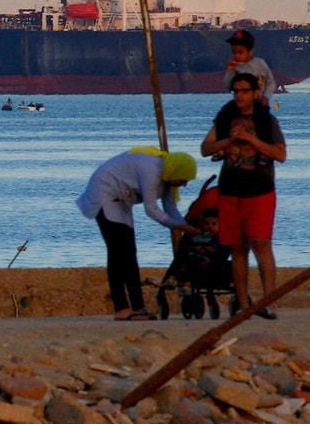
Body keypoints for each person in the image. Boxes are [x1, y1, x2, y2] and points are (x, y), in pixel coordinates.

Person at [201, 72, 288, 318]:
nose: (239, 95)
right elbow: (205, 148)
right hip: (230, 191)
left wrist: (250, 138)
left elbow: (280, 154)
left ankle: (269, 301)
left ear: (254, 93)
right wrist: (228, 140)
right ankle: (241, 303)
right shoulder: (225, 117)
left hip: (259, 191)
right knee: (237, 248)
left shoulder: (266, 121)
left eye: (244, 91)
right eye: (235, 91)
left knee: (262, 244)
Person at [77, 147, 196, 320]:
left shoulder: (167, 179)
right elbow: (151, 209)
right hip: (104, 195)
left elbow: (170, 208)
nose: (185, 184)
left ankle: (138, 307)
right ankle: (121, 308)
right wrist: (178, 226)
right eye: (184, 179)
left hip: (122, 201)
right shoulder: (152, 171)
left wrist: (185, 226)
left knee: (130, 254)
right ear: (175, 171)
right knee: (118, 253)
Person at [224, 29, 276, 103]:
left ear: (250, 52)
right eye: (234, 52)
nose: (236, 56)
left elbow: (271, 83)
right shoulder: (235, 68)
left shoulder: (260, 63)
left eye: (240, 52)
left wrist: (266, 97)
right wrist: (229, 71)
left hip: (258, 103)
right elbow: (228, 85)